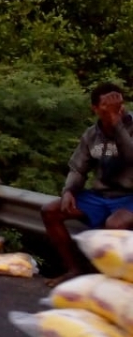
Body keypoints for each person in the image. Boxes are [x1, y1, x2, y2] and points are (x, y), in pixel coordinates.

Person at [42, 83, 133, 286]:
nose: (114, 109)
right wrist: (69, 191)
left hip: (129, 197)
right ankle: (74, 270)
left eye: (117, 103)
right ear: (94, 109)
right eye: (106, 105)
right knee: (51, 211)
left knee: (115, 225)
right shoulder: (92, 135)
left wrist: (117, 124)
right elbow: (78, 168)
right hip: (101, 196)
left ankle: (116, 281)